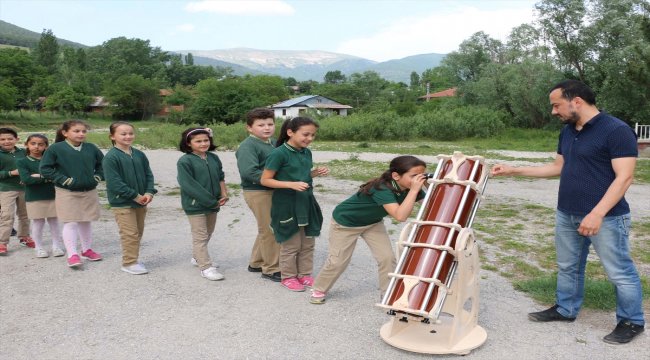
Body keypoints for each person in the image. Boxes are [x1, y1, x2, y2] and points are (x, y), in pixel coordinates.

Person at [491, 80, 644, 344]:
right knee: (568, 266)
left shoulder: (617, 130)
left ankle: (632, 321)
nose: (553, 112)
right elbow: (557, 167)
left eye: (556, 105)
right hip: (567, 213)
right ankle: (565, 309)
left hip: (606, 216)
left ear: (576, 102)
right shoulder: (568, 131)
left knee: (619, 270)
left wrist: (596, 213)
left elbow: (624, 178)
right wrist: (514, 170)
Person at [310, 156, 428, 304]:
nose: (419, 180)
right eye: (414, 176)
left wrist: (430, 184)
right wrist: (415, 190)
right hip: (346, 223)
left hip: (372, 223)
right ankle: (319, 288)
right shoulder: (382, 188)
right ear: (396, 176)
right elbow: (400, 216)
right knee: (338, 261)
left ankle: (388, 293)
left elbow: (431, 204)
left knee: (387, 258)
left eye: (422, 175)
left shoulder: (411, 188)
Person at [260, 117, 329, 292]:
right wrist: (291, 184)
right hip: (286, 204)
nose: (309, 138)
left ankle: (304, 274)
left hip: (305, 201)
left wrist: (314, 173)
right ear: (290, 132)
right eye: (305, 134)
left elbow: (302, 176)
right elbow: (265, 180)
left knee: (307, 242)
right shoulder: (279, 153)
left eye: (313, 135)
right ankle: (288, 277)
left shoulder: (306, 152)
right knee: (291, 244)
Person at [40, 120, 104, 268]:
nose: (81, 134)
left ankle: (86, 250)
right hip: (67, 191)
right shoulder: (56, 149)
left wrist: (97, 177)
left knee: (86, 220)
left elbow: (103, 164)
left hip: (89, 190)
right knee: (71, 221)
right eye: (76, 131)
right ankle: (72, 254)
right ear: (65, 133)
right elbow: (46, 169)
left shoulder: (91, 148)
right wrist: (65, 180)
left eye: (83, 131)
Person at [103, 122, 157, 275]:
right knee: (129, 233)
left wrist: (149, 192)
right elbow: (114, 183)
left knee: (138, 232)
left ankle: (134, 258)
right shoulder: (111, 157)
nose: (128, 136)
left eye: (130, 133)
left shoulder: (139, 154)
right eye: (123, 134)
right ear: (112, 136)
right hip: (122, 202)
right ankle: (129, 263)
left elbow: (148, 175)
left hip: (141, 201)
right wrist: (134, 196)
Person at [177, 127, 228, 281]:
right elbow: (188, 185)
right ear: (188, 143)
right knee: (200, 236)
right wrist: (210, 201)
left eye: (206, 140)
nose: (203, 143)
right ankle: (205, 267)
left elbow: (220, 176)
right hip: (195, 205)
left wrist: (224, 193)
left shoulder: (213, 158)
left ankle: (197, 257)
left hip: (213, 203)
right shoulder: (185, 161)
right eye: (198, 141)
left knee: (208, 232)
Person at [236, 108, 281, 282]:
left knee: (266, 227)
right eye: (261, 125)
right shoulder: (248, 146)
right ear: (249, 127)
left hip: (273, 189)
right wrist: (273, 180)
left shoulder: (274, 142)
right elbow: (249, 172)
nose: (266, 128)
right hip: (258, 192)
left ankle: (256, 262)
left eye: (270, 124)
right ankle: (271, 268)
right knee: (270, 229)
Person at [16, 134, 64, 258]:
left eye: (41, 144)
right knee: (38, 222)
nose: (36, 147)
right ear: (26, 144)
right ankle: (39, 247)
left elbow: (58, 176)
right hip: (34, 196)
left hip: (52, 195)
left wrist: (39, 176)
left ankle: (56, 246)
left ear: (46, 146)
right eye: (33, 143)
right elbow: (26, 179)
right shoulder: (22, 161)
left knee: (54, 221)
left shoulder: (51, 161)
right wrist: (47, 177)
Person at [0, 127, 34, 255]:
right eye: (2, 139)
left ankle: (24, 236)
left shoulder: (23, 152)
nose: (6, 141)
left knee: (25, 215)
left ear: (17, 139)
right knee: (7, 216)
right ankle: (2, 243)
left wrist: (26, 178)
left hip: (24, 188)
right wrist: (11, 173)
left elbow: (30, 166)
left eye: (10, 138)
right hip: (6, 189)